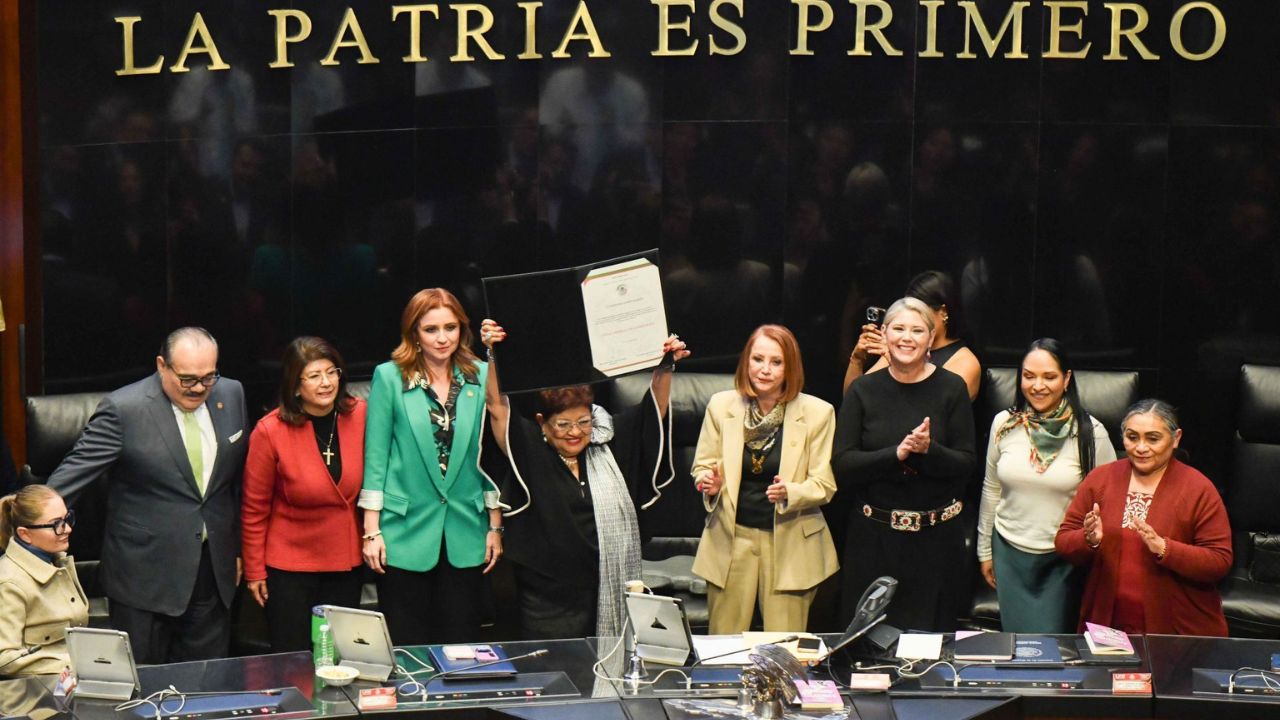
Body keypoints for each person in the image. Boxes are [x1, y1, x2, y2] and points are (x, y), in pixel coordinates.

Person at [47, 327, 248, 663]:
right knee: (142, 692)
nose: (199, 388)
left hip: (211, 573)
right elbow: (68, 480)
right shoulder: (124, 409)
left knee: (207, 689)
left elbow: (235, 480)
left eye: (208, 377)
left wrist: (239, 547)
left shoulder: (232, 393)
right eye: (187, 379)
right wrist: (27, 526)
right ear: (161, 366)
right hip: (144, 578)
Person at [481, 317, 688, 639]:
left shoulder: (608, 444)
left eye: (583, 421)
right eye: (563, 424)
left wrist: (665, 367)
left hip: (607, 586)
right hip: (547, 597)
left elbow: (654, 409)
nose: (576, 432)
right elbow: (497, 406)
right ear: (542, 423)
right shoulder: (531, 450)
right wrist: (492, 354)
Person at [359, 289, 503, 646]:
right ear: (414, 333)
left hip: (466, 528)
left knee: (462, 647)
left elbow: (494, 455)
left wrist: (495, 525)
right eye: (431, 329)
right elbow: (376, 457)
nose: (442, 338)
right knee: (409, 647)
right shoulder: (389, 377)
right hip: (404, 530)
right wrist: (371, 530)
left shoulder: (482, 375)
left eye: (450, 327)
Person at [832, 297, 975, 631]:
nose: (906, 338)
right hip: (874, 541)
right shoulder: (862, 390)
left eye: (916, 330)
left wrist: (929, 450)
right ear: (884, 334)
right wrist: (895, 454)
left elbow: (967, 463)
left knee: (929, 653)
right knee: (866, 648)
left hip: (936, 542)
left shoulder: (951, 388)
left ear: (930, 339)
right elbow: (843, 464)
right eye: (898, 328)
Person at [691, 325, 839, 634]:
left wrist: (791, 492)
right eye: (758, 359)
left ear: (790, 368)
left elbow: (824, 485)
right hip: (731, 540)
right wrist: (709, 482)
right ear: (746, 361)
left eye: (776, 362)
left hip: (788, 541)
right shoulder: (721, 406)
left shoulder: (817, 413)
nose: (765, 370)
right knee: (724, 647)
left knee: (783, 652)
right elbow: (702, 466)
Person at [1056, 399, 1232, 635]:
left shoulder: (1198, 488)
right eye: (1132, 437)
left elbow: (1219, 560)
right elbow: (1063, 541)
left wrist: (1164, 548)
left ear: (1176, 438)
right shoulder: (1101, 479)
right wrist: (1089, 540)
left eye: (1153, 438)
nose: (1140, 447)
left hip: (1176, 628)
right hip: (1107, 625)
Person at [976, 339, 1116, 633]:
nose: (1037, 386)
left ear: (1066, 379)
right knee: (1015, 649)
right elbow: (991, 489)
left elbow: (1109, 505)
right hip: (1009, 552)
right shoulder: (1003, 424)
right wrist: (984, 550)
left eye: (1049, 377)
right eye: (1029, 376)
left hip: (1062, 562)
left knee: (1054, 652)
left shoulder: (1091, 433)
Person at [241, 337, 366, 652]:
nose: (326, 383)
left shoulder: (360, 414)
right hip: (289, 570)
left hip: (345, 562)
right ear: (296, 386)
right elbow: (254, 509)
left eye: (331, 372)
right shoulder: (270, 431)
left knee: (343, 657)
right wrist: (255, 570)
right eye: (314, 376)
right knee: (293, 661)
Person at [844, 270, 981, 399]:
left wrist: (898, 365)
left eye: (920, 311)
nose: (912, 317)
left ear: (943, 312)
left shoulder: (965, 362)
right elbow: (854, 403)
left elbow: (930, 412)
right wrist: (857, 360)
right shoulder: (905, 348)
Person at [0, 485, 87, 677]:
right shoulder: (9, 582)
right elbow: (4, 658)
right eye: (56, 524)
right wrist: (71, 666)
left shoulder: (56, 562)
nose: (68, 529)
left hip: (71, 681)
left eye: (67, 518)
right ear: (25, 534)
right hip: (35, 693)